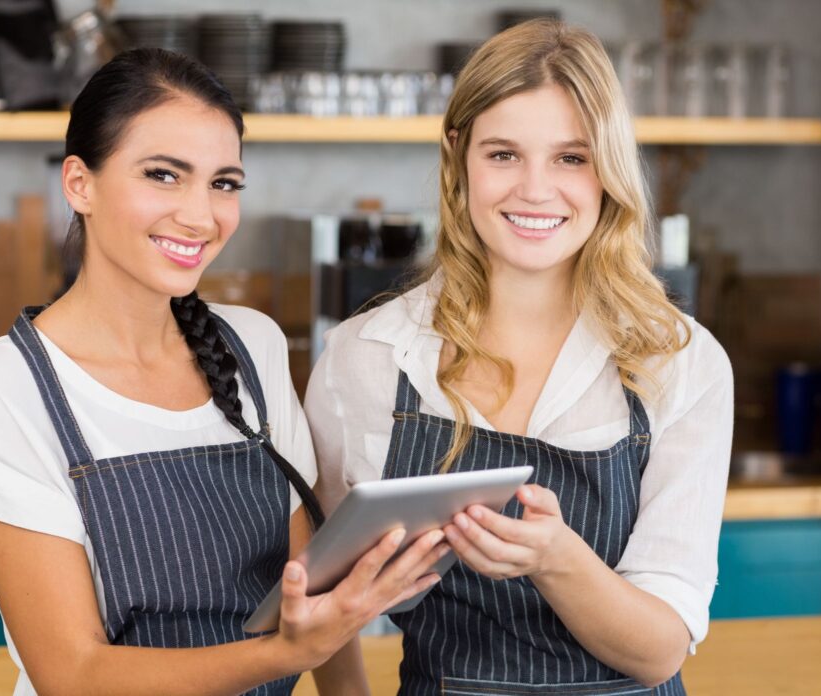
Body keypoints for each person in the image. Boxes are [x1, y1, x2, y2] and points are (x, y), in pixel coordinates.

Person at [0, 48, 447, 696]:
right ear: (80, 184)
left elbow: (309, 585)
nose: (201, 215)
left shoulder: (254, 347)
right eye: (163, 175)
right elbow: (72, 673)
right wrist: (282, 654)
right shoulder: (9, 387)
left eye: (224, 183)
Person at [305, 19, 733, 695]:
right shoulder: (367, 358)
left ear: (609, 169)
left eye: (572, 157)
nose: (535, 190)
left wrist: (557, 559)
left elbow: (659, 652)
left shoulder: (679, 362)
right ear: (459, 155)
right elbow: (319, 600)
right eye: (503, 154)